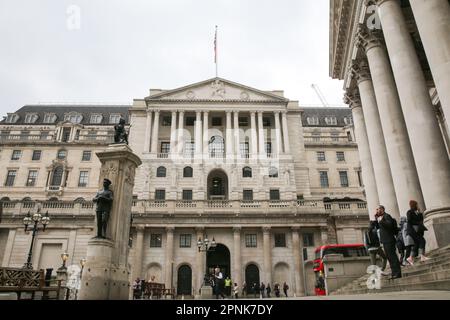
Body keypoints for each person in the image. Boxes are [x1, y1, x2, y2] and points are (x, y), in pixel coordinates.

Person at [375, 205, 402, 279]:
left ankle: (397, 273)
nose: (376, 211)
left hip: (389, 239)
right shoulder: (380, 218)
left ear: (382, 209)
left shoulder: (387, 216)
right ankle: (394, 273)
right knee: (389, 257)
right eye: (376, 209)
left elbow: (389, 225)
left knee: (392, 256)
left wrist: (381, 221)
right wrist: (378, 220)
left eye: (377, 209)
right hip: (385, 240)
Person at [406, 200, 431, 265]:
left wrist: (419, 213)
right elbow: (409, 220)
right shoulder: (409, 212)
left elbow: (421, 220)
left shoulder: (417, 212)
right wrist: (417, 222)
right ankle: (422, 256)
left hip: (418, 230)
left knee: (416, 243)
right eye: (417, 204)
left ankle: (411, 257)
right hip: (413, 230)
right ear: (414, 205)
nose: (418, 205)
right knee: (422, 241)